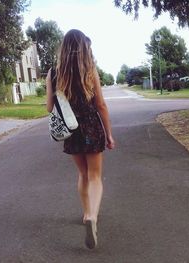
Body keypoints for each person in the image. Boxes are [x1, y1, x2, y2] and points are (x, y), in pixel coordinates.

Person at [46, 29, 115, 249]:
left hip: (71, 129)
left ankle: (86, 213)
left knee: (82, 174)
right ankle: (93, 216)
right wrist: (109, 134)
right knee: (95, 176)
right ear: (83, 48)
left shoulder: (53, 73)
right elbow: (101, 105)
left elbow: (49, 107)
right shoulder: (90, 70)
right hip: (92, 127)